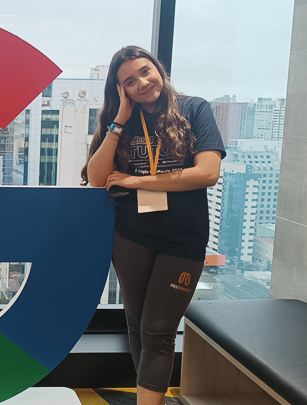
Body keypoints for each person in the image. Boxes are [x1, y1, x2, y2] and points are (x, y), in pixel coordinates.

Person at [82, 45, 225, 405]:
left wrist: (136, 181)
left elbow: (207, 173)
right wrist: (118, 121)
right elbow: (97, 178)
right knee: (137, 324)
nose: (142, 83)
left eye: (145, 71)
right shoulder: (121, 120)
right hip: (131, 236)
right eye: (129, 81)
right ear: (121, 90)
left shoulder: (194, 109)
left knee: (159, 330)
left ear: (158, 68)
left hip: (183, 239)